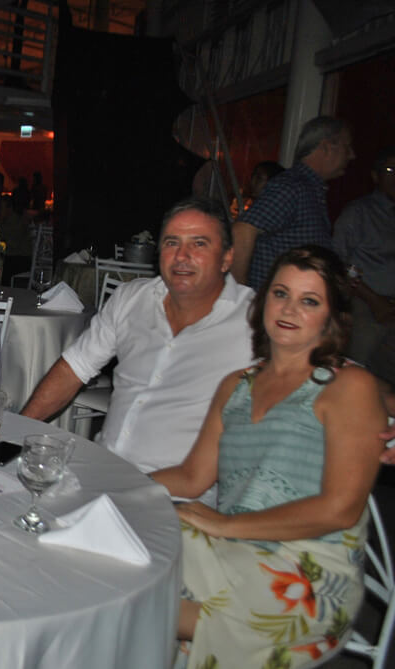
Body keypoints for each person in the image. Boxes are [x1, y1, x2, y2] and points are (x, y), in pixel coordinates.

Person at [151, 245, 386, 668]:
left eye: (309, 301)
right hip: (230, 552)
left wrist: (226, 525)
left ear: (331, 318)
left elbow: (341, 509)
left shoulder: (348, 386)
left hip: (308, 571)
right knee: (139, 539)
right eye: (281, 293)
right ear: (263, 301)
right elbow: (191, 477)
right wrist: (117, 486)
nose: (289, 309)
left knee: (141, 593)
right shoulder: (236, 386)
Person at [21, 196, 254, 476]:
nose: (182, 255)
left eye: (199, 243)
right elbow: (73, 369)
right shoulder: (132, 299)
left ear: (227, 258)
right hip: (102, 470)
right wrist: (16, 431)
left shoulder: (253, 321)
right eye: (172, 242)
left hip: (179, 490)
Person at [232, 116, 355, 289]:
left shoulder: (308, 189)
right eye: (347, 147)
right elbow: (242, 231)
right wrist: (240, 296)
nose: (352, 155)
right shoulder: (293, 187)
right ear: (327, 147)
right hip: (274, 301)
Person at [332, 145, 395, 376]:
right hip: (365, 305)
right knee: (357, 371)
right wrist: (373, 299)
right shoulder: (359, 212)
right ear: (375, 176)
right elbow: (337, 262)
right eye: (390, 170)